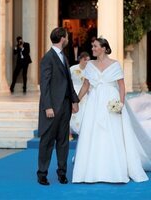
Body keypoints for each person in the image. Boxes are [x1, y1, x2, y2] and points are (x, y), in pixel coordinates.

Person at [72, 37, 151, 183]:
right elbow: (85, 86)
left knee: (112, 133)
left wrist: (120, 104)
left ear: (103, 48)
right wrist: (75, 101)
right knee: (93, 133)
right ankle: (91, 171)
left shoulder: (115, 65)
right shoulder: (89, 65)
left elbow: (121, 86)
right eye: (92, 46)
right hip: (94, 103)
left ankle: (114, 170)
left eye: (95, 46)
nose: (93, 48)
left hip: (111, 102)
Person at [37, 27, 79, 186]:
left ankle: (62, 173)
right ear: (62, 38)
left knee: (63, 141)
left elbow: (68, 82)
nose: (68, 38)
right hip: (52, 108)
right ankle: (42, 174)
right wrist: (47, 106)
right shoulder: (48, 58)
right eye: (67, 36)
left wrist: (74, 101)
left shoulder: (64, 57)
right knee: (46, 142)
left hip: (65, 107)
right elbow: (44, 84)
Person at [70, 52, 90, 134]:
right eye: (85, 60)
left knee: (84, 109)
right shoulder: (73, 68)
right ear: (81, 59)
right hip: (74, 90)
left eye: (88, 60)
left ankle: (83, 130)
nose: (87, 62)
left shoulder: (89, 70)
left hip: (84, 92)